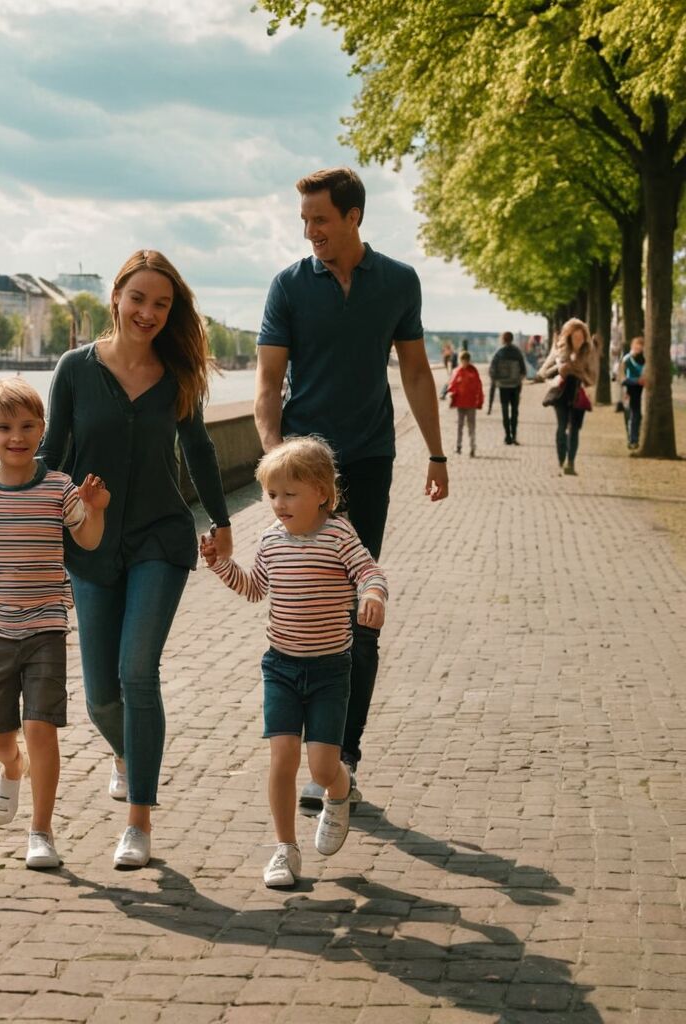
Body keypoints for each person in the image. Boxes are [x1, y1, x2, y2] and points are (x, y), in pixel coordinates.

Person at [254, 166, 448, 816]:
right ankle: (314, 746)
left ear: (354, 217)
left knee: (360, 611)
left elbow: (417, 373)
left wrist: (438, 453)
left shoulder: (397, 282)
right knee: (304, 611)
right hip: (305, 470)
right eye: (305, 221)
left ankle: (342, 757)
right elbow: (267, 385)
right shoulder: (288, 287)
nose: (311, 232)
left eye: (321, 220)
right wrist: (275, 464)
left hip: (367, 463)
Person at [40, 249, 232, 869]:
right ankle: (130, 754)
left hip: (159, 538)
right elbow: (50, 454)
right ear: (117, 296)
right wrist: (14, 507)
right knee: (99, 698)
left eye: (162, 304)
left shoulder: (176, 377)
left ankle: (139, 821)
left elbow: (198, 449)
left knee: (137, 673)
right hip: (90, 545)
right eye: (139, 299)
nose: (148, 313)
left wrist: (222, 521)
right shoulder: (74, 369)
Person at [200, 437, 387, 888]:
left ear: (323, 493)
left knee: (323, 767)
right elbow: (254, 587)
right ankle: (286, 849)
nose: (279, 504)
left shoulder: (339, 535)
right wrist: (221, 565)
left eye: (290, 493)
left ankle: (338, 794)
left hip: (329, 671)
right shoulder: (270, 540)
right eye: (272, 494)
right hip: (280, 666)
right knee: (282, 759)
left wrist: (373, 595)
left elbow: (369, 572)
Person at [0, 377, 110, 869]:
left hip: (45, 627)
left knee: (41, 727)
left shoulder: (59, 489)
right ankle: (12, 768)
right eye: (4, 427)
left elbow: (89, 540)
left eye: (28, 426)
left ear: (42, 430)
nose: (17, 436)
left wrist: (94, 510)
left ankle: (42, 831)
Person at [537, 317, 598, 476]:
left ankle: (571, 463)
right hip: (561, 392)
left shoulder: (589, 353)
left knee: (575, 429)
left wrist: (578, 371)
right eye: (575, 336)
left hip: (579, 392)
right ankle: (561, 458)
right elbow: (543, 372)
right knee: (562, 425)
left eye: (581, 336)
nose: (579, 340)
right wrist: (560, 368)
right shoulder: (559, 350)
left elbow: (593, 377)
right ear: (569, 337)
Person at [488, 331, 528, 445]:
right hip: (515, 386)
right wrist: (518, 380)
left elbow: (492, 370)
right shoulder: (517, 352)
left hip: (503, 387)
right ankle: (514, 435)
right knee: (514, 411)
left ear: (503, 339)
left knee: (505, 411)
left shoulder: (499, 352)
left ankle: (507, 436)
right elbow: (523, 370)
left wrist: (496, 380)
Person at [447, 350, 484, 456]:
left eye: (465, 361)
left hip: (471, 403)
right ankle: (458, 446)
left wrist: (480, 401)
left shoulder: (472, 371)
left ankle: (472, 447)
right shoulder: (457, 371)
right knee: (460, 426)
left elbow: (479, 387)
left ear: (468, 361)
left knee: (471, 426)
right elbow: (452, 385)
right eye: (462, 361)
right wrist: (451, 394)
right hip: (460, 403)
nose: (464, 363)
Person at [621, 335, 646, 450]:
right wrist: (635, 381)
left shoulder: (646, 360)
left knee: (638, 416)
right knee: (631, 415)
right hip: (629, 389)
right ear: (632, 346)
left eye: (641, 345)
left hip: (642, 391)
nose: (638, 347)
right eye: (636, 345)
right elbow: (621, 376)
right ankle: (632, 439)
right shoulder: (627, 359)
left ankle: (635, 438)